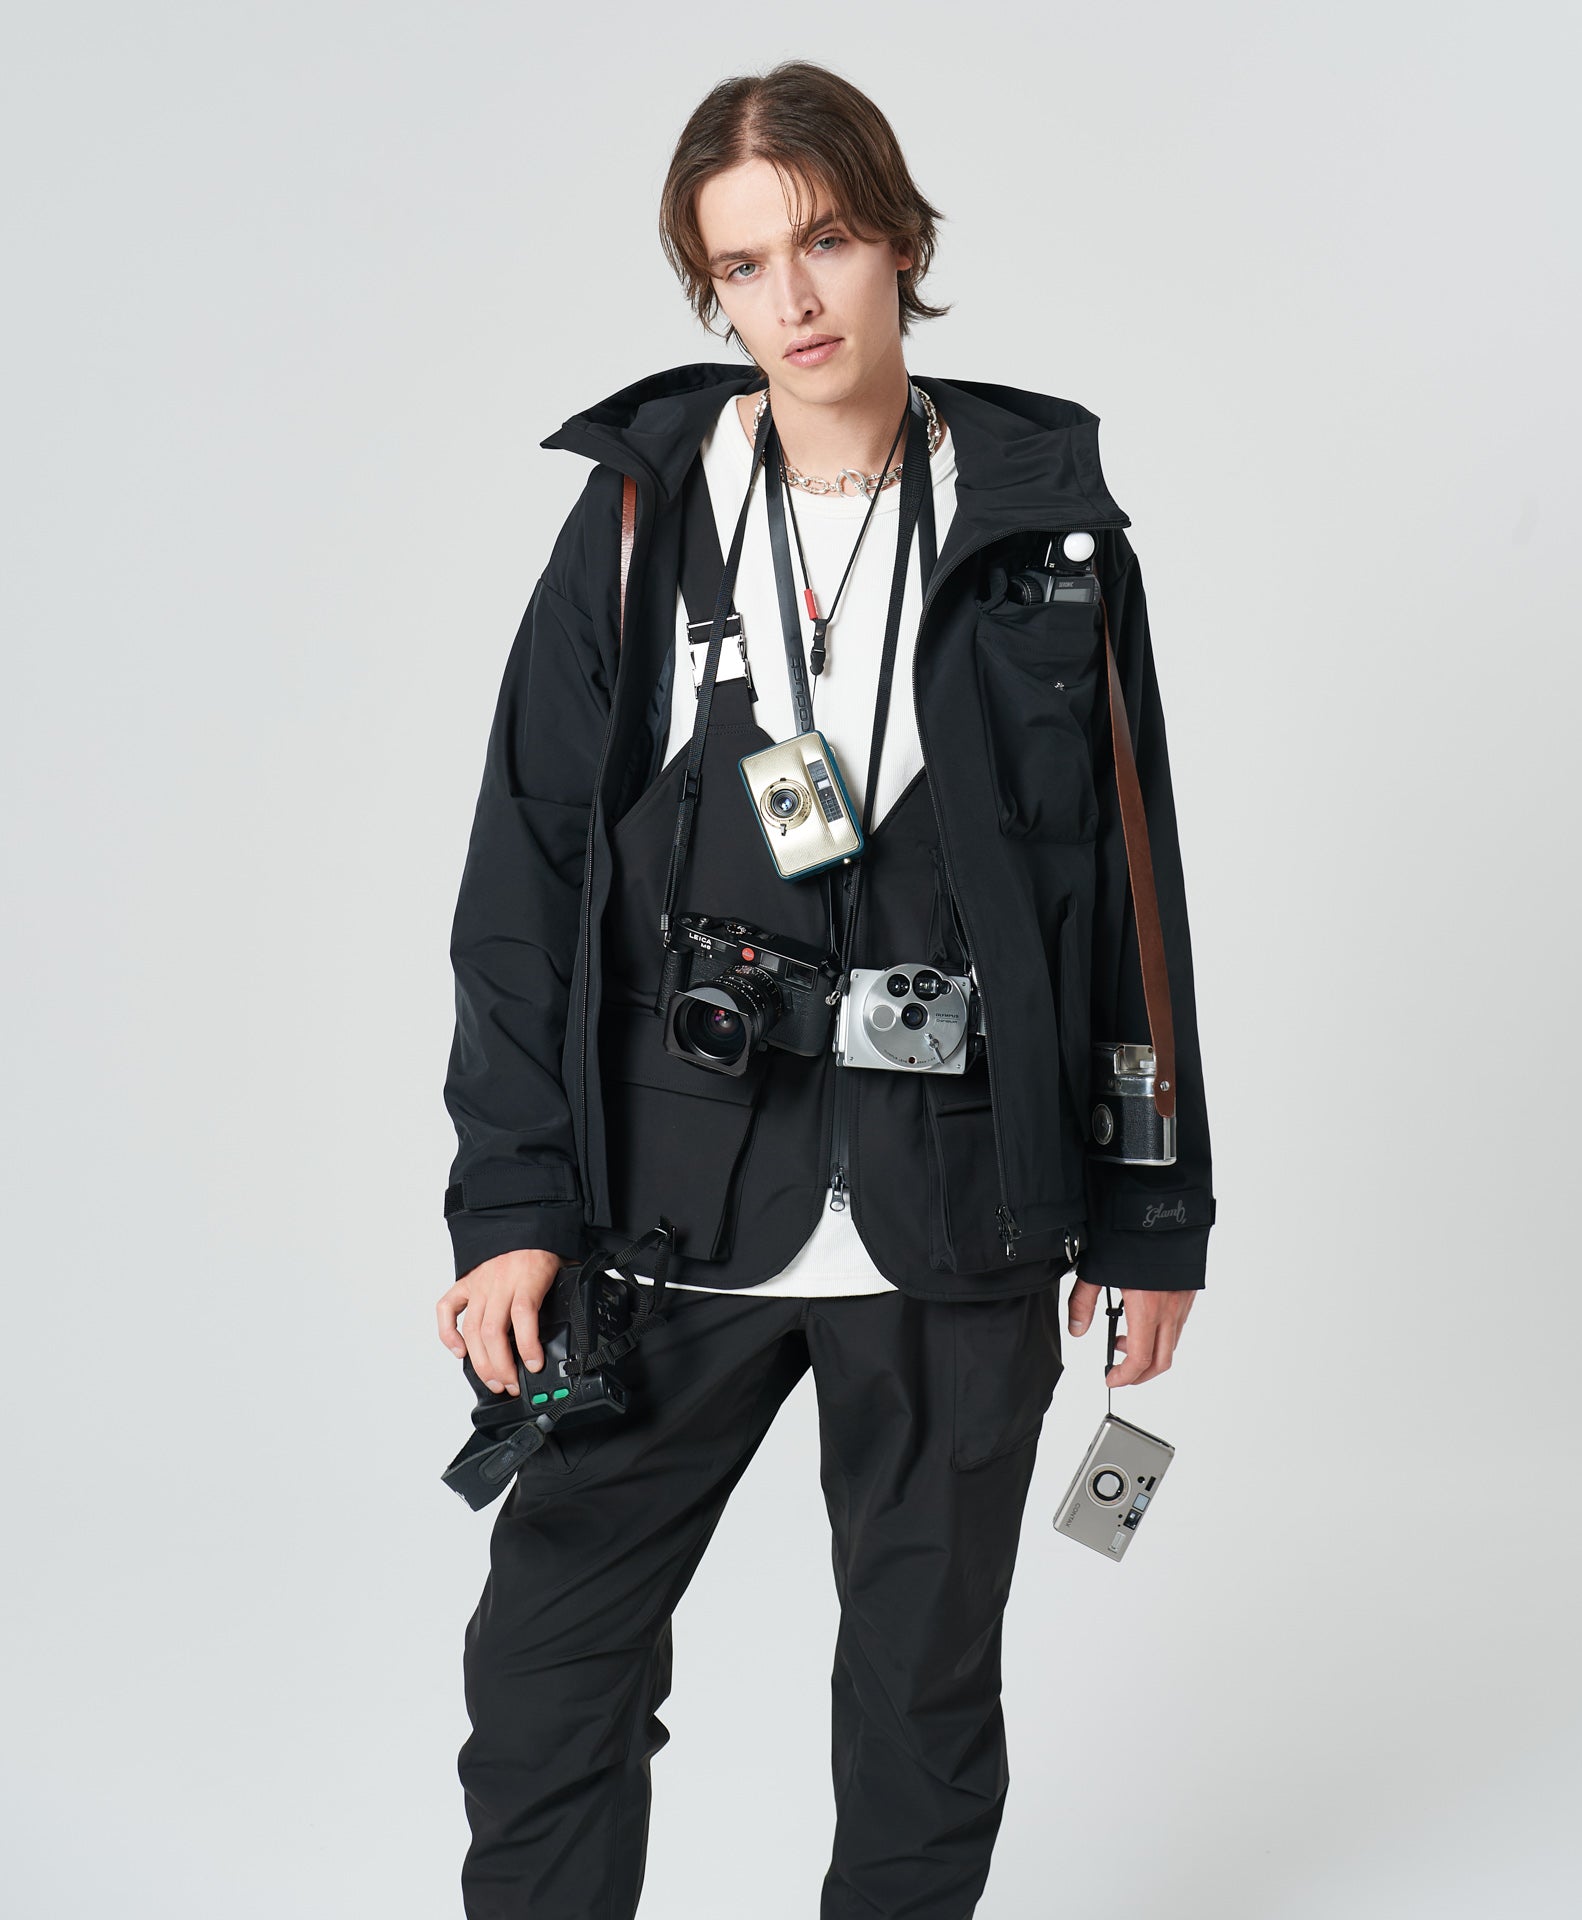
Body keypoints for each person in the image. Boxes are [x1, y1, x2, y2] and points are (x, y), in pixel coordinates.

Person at [435, 58, 1215, 1920]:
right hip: (674, 1214)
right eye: (742, 264)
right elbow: (524, 877)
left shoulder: (1048, 540)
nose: (790, 300)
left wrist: (1155, 1211)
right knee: (546, 1674)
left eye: (827, 241)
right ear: (708, 289)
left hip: (959, 1217)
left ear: (901, 243)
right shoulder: (645, 518)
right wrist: (514, 1202)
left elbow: (1131, 888)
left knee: (922, 1712)